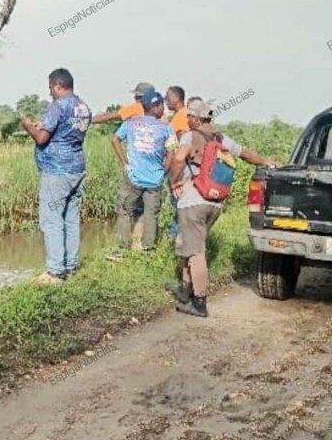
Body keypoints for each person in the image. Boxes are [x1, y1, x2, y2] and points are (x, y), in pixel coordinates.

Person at [167, 100, 279, 317]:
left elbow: (179, 159)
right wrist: (266, 162)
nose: (187, 119)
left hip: (193, 201)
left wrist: (174, 182)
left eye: (189, 116)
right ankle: (185, 290)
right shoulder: (221, 139)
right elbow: (246, 154)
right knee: (191, 245)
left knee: (195, 252)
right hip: (214, 202)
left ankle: (199, 302)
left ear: (196, 119)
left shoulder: (190, 136)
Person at [21, 68, 92, 284]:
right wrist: (42, 127)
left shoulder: (58, 106)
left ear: (58, 86)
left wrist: (28, 127)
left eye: (51, 87)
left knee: (52, 220)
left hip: (57, 171)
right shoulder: (83, 107)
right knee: (71, 218)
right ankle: (71, 265)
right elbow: (64, 131)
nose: (50, 92)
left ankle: (55, 271)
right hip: (77, 168)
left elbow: (42, 139)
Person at [106, 91, 176, 260]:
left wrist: (125, 163)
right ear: (156, 107)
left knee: (125, 211)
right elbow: (172, 153)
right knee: (151, 214)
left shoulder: (131, 123)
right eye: (162, 106)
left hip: (134, 177)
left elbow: (115, 140)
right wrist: (164, 171)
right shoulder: (166, 128)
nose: (164, 109)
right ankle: (148, 251)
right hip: (155, 180)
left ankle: (122, 250)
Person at [165, 86, 190, 239]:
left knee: (178, 205)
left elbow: (182, 145)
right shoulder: (181, 115)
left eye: (167, 98)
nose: (165, 101)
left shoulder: (181, 117)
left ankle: (177, 239)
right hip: (181, 167)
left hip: (179, 168)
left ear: (176, 98)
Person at [90, 82, 155, 124]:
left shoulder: (136, 108)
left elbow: (110, 116)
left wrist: (88, 121)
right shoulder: (158, 110)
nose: (135, 98)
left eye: (137, 96)